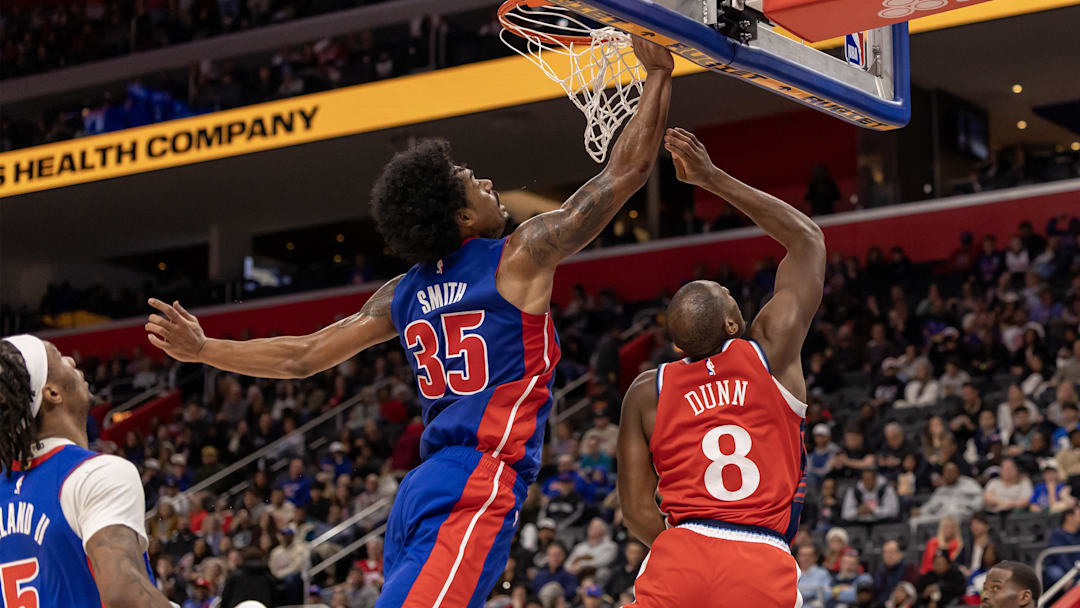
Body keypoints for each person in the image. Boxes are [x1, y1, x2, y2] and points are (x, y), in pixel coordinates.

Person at [145, 41, 675, 608]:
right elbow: (627, 171)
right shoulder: (520, 256)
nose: (489, 182)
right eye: (475, 182)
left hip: (421, 488)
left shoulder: (403, 293)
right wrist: (659, 75)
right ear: (463, 216)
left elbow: (304, 356)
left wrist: (205, 351)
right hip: (479, 479)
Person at [617, 127, 826, 606]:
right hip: (759, 557)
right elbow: (807, 241)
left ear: (675, 344)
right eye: (733, 297)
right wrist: (711, 178)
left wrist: (693, 552)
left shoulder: (648, 391)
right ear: (734, 324)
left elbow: (635, 512)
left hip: (681, 554)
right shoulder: (769, 352)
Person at [0, 335, 174, 608]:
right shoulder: (94, 474)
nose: (70, 360)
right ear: (52, 393)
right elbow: (125, 596)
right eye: (58, 357)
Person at [1042, 506, 1080, 586]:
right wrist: (1069, 576)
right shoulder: (1057, 534)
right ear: (1069, 517)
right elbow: (1061, 558)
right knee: (1056, 573)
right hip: (1062, 569)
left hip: (1076, 568)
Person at [873, 540, 919, 606]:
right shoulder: (880, 572)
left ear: (900, 553)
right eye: (885, 553)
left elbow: (910, 595)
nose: (888, 555)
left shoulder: (910, 569)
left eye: (891, 552)